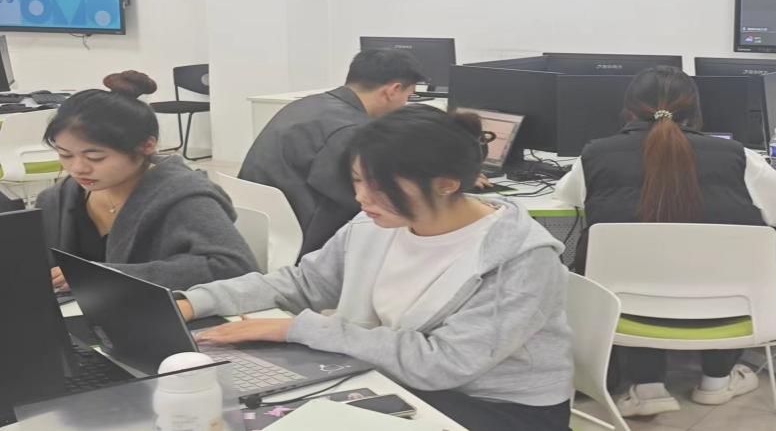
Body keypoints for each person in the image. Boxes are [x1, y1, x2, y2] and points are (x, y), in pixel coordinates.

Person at [178, 105, 573, 431]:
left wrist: (298, 328)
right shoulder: (377, 222)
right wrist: (196, 302)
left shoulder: (521, 258)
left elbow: (443, 364)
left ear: (447, 184)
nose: (361, 197)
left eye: (381, 187)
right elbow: (306, 282)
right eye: (357, 180)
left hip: (498, 408)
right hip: (393, 376)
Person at [556, 66, 776, 418]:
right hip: (729, 307)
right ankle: (717, 382)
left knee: (639, 269)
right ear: (696, 111)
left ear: (629, 111)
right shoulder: (737, 156)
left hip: (625, 312)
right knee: (724, 265)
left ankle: (647, 388)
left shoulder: (596, 155)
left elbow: (567, 195)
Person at [40, 71, 257, 292]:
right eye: (65, 155)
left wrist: (106, 276)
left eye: (95, 157)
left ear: (146, 146)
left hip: (169, 309)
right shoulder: (59, 198)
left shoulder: (185, 197)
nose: (77, 168)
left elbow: (235, 267)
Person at [239, 49, 426, 257]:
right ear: (393, 90)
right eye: (408, 96)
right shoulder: (351, 131)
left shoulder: (306, 104)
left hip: (261, 224)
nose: (405, 104)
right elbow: (365, 201)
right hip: (304, 238)